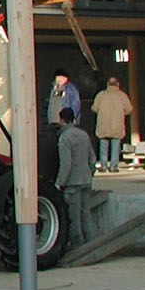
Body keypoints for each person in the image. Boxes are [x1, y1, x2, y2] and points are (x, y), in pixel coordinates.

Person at [53, 106, 96, 250]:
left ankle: (78, 247)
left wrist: (59, 183)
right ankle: (92, 243)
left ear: (62, 120)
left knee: (74, 217)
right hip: (86, 180)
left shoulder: (64, 138)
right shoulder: (84, 134)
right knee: (86, 213)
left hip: (72, 184)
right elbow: (92, 159)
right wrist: (90, 174)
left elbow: (66, 164)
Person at [91, 77, 135, 172]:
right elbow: (129, 109)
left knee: (103, 147)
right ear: (118, 84)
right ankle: (113, 167)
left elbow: (94, 108)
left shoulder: (101, 95)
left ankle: (103, 166)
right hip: (117, 125)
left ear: (107, 84)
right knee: (115, 147)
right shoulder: (122, 95)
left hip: (103, 125)